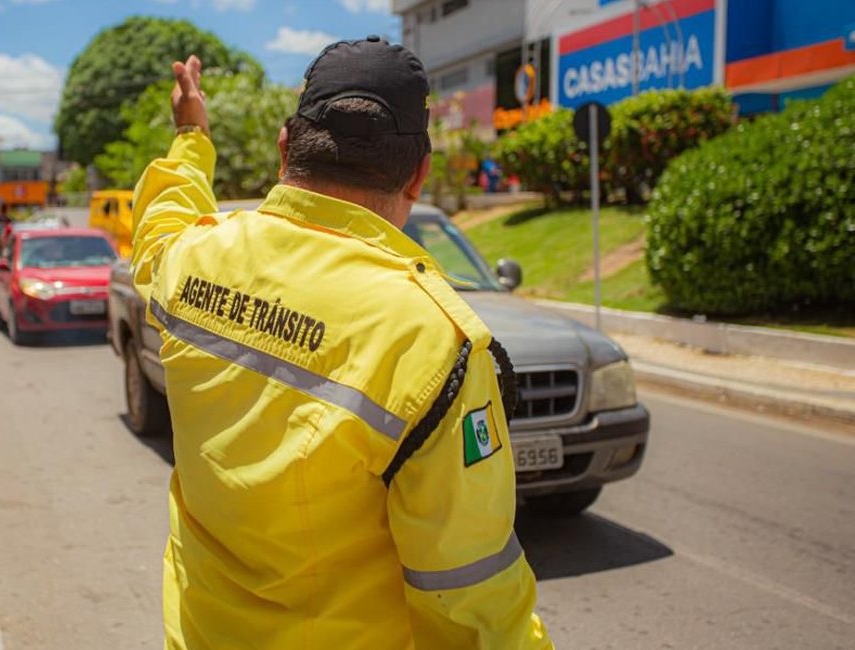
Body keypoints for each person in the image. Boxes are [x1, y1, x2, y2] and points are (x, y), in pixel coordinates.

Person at [132, 39, 552, 650]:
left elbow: (160, 221)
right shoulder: (432, 342)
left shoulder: (195, 256)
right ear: (420, 174)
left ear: (284, 149)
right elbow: (471, 595)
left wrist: (191, 135)